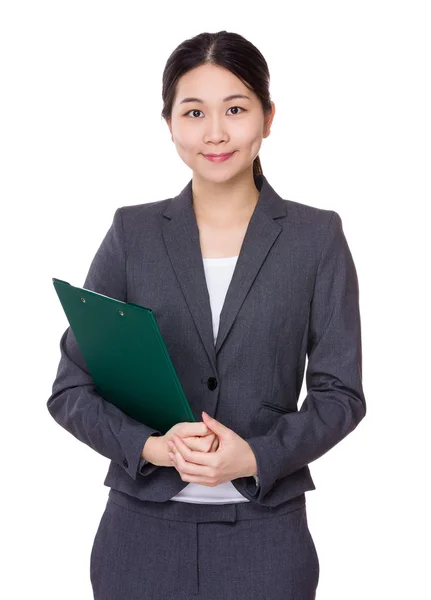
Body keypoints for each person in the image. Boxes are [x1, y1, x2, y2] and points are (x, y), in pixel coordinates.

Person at [47, 30, 367, 600]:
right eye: (194, 111)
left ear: (268, 118)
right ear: (169, 122)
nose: (215, 132)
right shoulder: (132, 234)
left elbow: (341, 394)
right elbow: (71, 389)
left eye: (236, 109)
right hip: (139, 537)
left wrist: (255, 454)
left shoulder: (316, 238)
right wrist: (154, 448)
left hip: (267, 538)